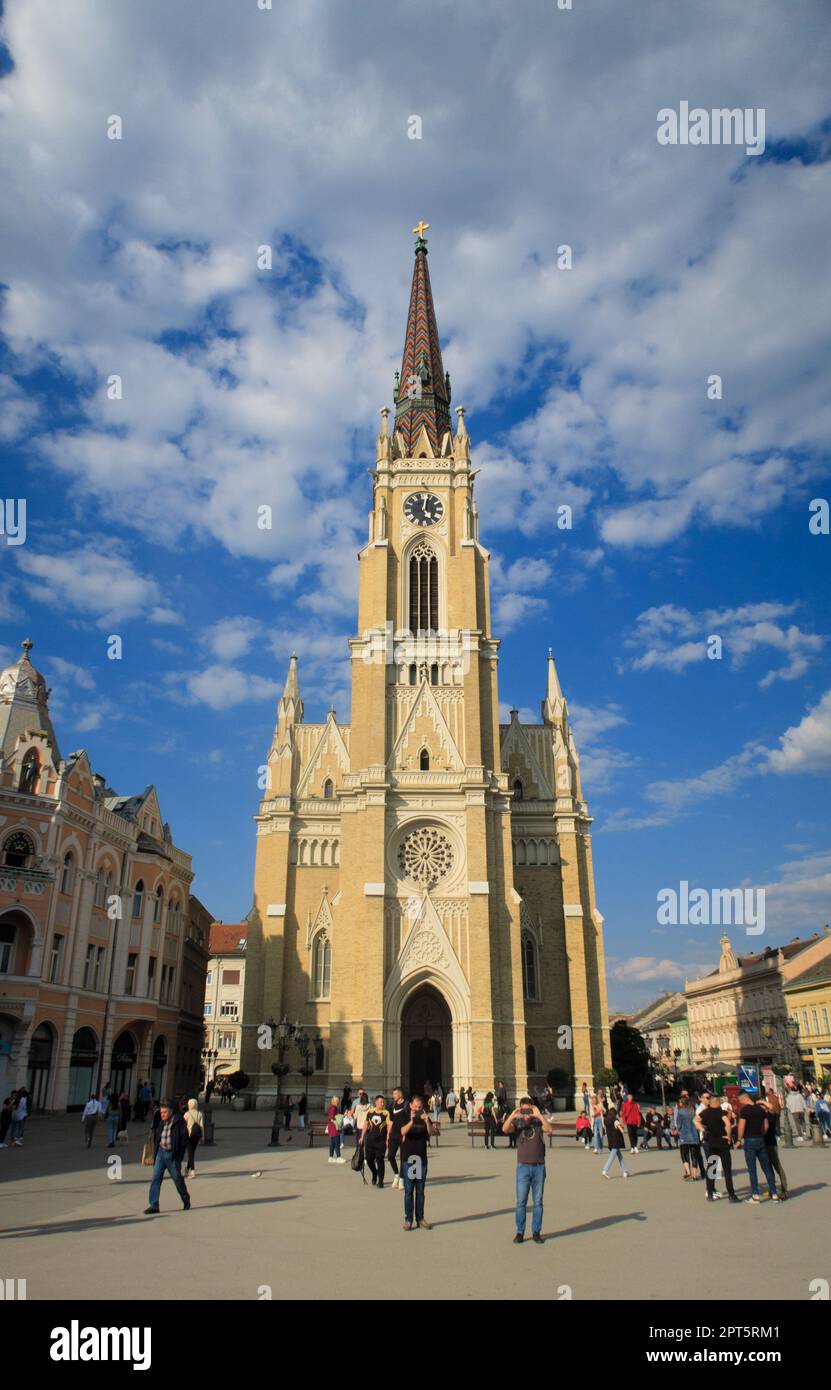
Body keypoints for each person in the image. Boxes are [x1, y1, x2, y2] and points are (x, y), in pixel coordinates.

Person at [503, 1097, 554, 1243]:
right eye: (523, 1109)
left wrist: (538, 1115)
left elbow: (549, 1129)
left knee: (538, 1202)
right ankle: (520, 1232)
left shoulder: (538, 1121)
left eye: (528, 1109)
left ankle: (536, 1232)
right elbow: (505, 1129)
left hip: (539, 1166)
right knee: (521, 1202)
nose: (526, 1113)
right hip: (523, 1167)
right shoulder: (517, 1123)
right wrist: (513, 1115)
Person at [145, 1099, 190, 1214]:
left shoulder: (179, 1121)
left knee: (177, 1179)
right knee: (156, 1178)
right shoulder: (161, 1122)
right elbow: (157, 1137)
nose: (162, 1114)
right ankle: (154, 1205)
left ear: (171, 1111)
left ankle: (185, 1198)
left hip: (172, 1155)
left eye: (164, 1112)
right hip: (161, 1153)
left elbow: (184, 1139)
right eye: (161, 1112)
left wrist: (179, 1155)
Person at [695, 1094, 739, 1202]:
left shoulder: (705, 1112)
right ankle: (731, 1195)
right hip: (722, 1142)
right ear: (718, 1102)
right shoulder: (720, 1112)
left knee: (712, 1168)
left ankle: (710, 1193)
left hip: (711, 1143)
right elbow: (728, 1124)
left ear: (710, 1102)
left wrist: (703, 1130)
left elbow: (695, 1120)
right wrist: (728, 1136)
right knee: (727, 1169)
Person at [736, 1091, 779, 1203]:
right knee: (766, 1168)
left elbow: (741, 1125)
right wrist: (761, 1134)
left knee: (752, 1169)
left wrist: (739, 1139)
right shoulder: (760, 1109)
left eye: (740, 1100)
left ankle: (755, 1195)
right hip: (760, 1139)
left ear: (743, 1098)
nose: (740, 1102)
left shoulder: (745, 1110)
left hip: (749, 1140)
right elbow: (766, 1125)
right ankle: (774, 1193)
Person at [400, 1095, 436, 1230]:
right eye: (415, 1106)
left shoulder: (424, 1116)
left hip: (421, 1159)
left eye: (420, 1107)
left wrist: (427, 1121)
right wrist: (412, 1120)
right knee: (409, 1190)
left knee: (420, 1191)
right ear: (410, 1105)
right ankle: (408, 1220)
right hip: (409, 1159)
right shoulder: (405, 1116)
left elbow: (431, 1133)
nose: (417, 1109)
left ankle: (420, 1218)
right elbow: (403, 1131)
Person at [761, 1090, 788, 1199]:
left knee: (777, 1167)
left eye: (763, 1107)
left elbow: (772, 1108)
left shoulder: (770, 1115)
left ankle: (784, 1189)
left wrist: (763, 1102)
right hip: (762, 1145)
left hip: (771, 1144)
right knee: (767, 1168)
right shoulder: (761, 1115)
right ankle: (773, 1189)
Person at [362, 1094, 391, 1188]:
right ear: (376, 1102)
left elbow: (389, 1125)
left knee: (380, 1160)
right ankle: (375, 1172)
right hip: (370, 1140)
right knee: (369, 1159)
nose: (382, 1104)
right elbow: (366, 1124)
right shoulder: (370, 1112)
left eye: (383, 1102)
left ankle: (381, 1181)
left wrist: (388, 1137)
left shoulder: (386, 1113)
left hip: (381, 1141)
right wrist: (362, 1136)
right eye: (380, 1102)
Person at [676, 1097, 705, 1180]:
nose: (679, 1104)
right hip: (694, 1135)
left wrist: (677, 1130)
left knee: (684, 1154)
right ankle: (694, 1175)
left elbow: (679, 1124)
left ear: (682, 1103)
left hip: (684, 1135)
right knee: (694, 1155)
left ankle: (688, 1172)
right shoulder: (693, 1111)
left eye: (680, 1103)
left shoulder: (681, 1112)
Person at [387, 1087, 408, 1188]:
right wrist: (388, 1134)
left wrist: (405, 1134)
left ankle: (402, 1179)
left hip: (403, 1134)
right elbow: (391, 1121)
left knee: (403, 1158)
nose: (393, 1096)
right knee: (390, 1156)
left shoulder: (406, 1105)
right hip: (394, 1134)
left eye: (395, 1094)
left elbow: (409, 1120)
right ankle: (396, 1175)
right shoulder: (392, 1105)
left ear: (400, 1094)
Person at [601, 1107, 629, 1178]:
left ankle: (625, 1171)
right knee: (612, 1157)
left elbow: (603, 1122)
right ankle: (605, 1170)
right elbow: (621, 1130)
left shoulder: (606, 1120)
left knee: (620, 1156)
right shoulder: (615, 1120)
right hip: (616, 1141)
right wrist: (622, 1128)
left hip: (610, 1140)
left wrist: (601, 1114)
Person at [183, 1097, 204, 1177]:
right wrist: (202, 1137)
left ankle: (192, 1170)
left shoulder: (187, 1114)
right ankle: (187, 1169)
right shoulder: (199, 1114)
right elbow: (201, 1126)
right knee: (192, 1153)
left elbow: (183, 1125)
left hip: (188, 1136)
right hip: (196, 1136)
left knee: (190, 1154)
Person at [326, 1094, 345, 1162]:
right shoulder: (333, 1108)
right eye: (337, 1100)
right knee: (337, 1142)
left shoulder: (333, 1107)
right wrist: (337, 1123)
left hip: (332, 1127)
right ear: (334, 1101)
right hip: (334, 1127)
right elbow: (331, 1118)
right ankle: (338, 1157)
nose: (338, 1101)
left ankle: (330, 1157)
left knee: (333, 1143)